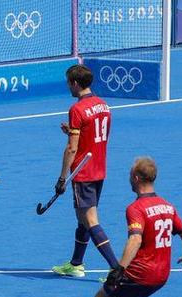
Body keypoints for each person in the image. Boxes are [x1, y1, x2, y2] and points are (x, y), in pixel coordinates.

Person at [90, 157, 182, 297]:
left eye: (130, 176)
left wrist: (119, 269)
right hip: (162, 276)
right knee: (126, 295)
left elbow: (135, 239)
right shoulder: (167, 206)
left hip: (141, 273)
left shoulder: (135, 208)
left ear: (136, 178)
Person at [52, 64, 119, 277]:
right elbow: (99, 134)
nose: (68, 87)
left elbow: (72, 148)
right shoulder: (103, 105)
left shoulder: (77, 109)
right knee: (82, 218)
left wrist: (62, 177)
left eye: (68, 83)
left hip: (83, 173)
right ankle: (76, 264)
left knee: (90, 220)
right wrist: (72, 131)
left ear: (75, 83)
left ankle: (118, 270)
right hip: (99, 169)